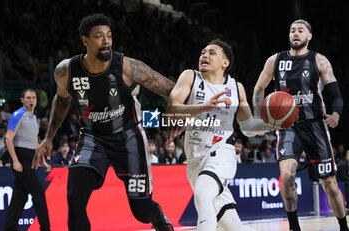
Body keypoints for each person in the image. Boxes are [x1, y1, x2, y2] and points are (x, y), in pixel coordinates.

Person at [32, 13, 175, 231]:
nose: (106, 40)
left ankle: (157, 217)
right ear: (85, 40)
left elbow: (171, 89)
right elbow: (62, 100)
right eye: (99, 36)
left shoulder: (128, 67)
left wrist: (186, 113)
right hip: (92, 137)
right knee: (74, 198)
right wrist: (49, 138)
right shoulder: (66, 71)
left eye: (109, 35)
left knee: (142, 211)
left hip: (128, 136)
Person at [252, 19, 347, 231]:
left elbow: (336, 96)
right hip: (288, 127)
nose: (296, 33)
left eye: (300, 30)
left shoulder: (319, 61)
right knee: (286, 176)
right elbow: (259, 88)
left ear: (309, 36)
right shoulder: (275, 60)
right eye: (292, 30)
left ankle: (343, 226)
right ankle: (294, 227)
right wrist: (259, 118)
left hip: (315, 126)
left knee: (330, 186)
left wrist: (336, 114)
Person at [167, 39, 269, 231]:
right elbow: (172, 111)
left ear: (225, 63)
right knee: (234, 227)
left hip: (222, 152)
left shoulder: (236, 88)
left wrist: (273, 124)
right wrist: (204, 107)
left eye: (211, 52)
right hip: (194, 160)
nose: (204, 55)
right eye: (203, 52)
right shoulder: (190, 77)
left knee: (203, 194)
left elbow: (247, 127)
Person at [4, 89, 51, 231]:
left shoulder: (33, 118)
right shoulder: (17, 115)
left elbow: (34, 142)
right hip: (21, 157)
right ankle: (45, 228)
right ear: (22, 100)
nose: (31, 100)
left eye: (34, 97)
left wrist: (41, 160)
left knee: (20, 197)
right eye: (28, 97)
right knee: (38, 192)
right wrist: (15, 160)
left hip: (30, 157)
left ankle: (9, 228)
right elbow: (8, 138)